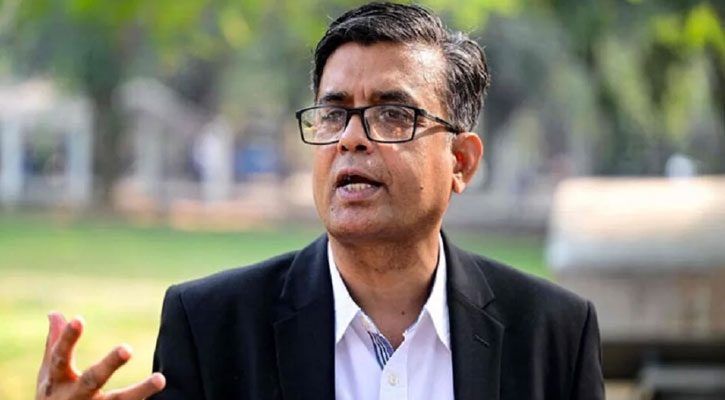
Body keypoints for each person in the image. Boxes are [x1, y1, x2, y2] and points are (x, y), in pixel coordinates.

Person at [35, 3, 605, 400]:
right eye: (334, 113)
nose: (351, 138)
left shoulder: (553, 333)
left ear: (461, 161)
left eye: (392, 114)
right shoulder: (212, 326)